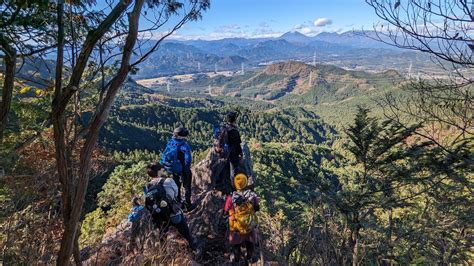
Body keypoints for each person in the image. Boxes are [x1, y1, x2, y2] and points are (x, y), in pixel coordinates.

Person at [143, 162, 196, 249]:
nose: (163, 170)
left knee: (162, 236)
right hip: (174, 213)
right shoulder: (168, 181)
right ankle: (192, 247)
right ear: (159, 171)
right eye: (161, 169)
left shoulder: (148, 186)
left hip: (159, 216)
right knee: (185, 232)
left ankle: (163, 253)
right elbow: (176, 194)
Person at [224, 172, 260, 263]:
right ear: (246, 182)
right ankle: (249, 256)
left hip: (236, 225)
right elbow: (257, 208)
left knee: (236, 242)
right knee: (250, 240)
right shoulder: (252, 195)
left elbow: (226, 211)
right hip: (249, 224)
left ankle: (236, 257)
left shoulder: (231, 197)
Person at [161, 126, 194, 211]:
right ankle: (188, 205)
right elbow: (188, 159)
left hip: (174, 169)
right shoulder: (184, 145)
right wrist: (186, 170)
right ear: (181, 136)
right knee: (187, 187)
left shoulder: (170, 142)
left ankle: (179, 203)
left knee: (177, 187)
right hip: (183, 169)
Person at [215, 111, 243, 193]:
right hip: (232, 153)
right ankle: (233, 189)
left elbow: (220, 139)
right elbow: (237, 145)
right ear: (234, 120)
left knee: (223, 167)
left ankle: (218, 183)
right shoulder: (234, 131)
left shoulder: (224, 128)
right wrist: (241, 154)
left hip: (224, 153)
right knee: (233, 171)